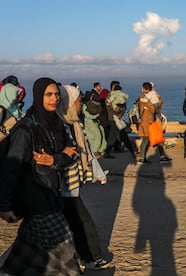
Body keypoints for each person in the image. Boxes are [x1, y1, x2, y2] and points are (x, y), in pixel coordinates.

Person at [0, 77, 81, 275]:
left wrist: (55, 159)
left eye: (56, 95)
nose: (54, 99)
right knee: (65, 247)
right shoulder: (26, 129)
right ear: (38, 97)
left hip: (52, 195)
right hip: (36, 200)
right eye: (48, 95)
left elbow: (71, 155)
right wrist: (4, 205)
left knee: (26, 257)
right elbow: (12, 168)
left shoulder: (56, 125)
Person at [54, 85, 111, 270]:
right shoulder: (59, 126)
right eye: (78, 101)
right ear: (69, 103)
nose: (81, 104)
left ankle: (88, 257)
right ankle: (91, 258)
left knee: (77, 223)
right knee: (81, 223)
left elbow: (87, 152)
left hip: (71, 185)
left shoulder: (74, 124)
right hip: (62, 186)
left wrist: (99, 174)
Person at [137, 82, 172, 164]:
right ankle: (142, 158)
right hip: (149, 121)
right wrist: (158, 100)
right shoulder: (146, 98)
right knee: (149, 139)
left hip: (148, 121)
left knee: (155, 138)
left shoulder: (143, 97)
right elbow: (155, 109)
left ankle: (160, 157)